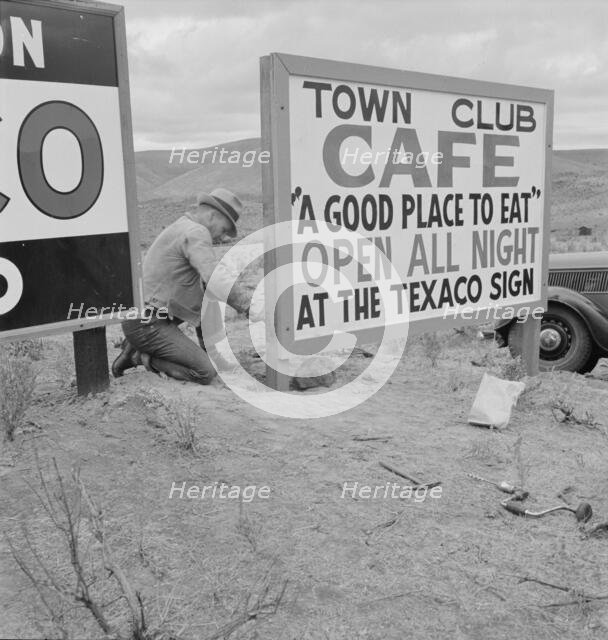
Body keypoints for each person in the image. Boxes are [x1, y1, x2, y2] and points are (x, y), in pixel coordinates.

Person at [112, 187, 251, 384]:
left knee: (208, 297)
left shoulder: (184, 226)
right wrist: (249, 304)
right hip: (147, 324)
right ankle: (140, 357)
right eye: (224, 229)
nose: (224, 237)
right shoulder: (196, 232)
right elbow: (215, 278)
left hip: (144, 318)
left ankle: (134, 348)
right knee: (204, 372)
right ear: (212, 216)